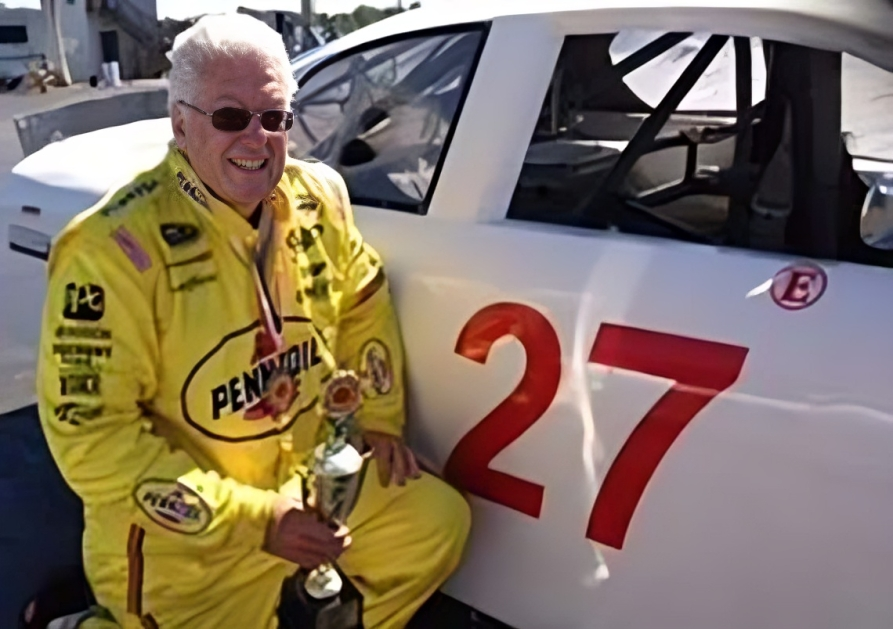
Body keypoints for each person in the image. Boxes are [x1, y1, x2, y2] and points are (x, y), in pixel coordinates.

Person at [35, 13, 471, 629]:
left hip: (304, 486)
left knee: (433, 524)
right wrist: (256, 521)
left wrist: (379, 418)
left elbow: (362, 300)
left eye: (275, 118)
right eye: (231, 117)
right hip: (188, 541)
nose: (256, 139)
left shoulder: (317, 196)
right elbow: (93, 441)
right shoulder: (109, 250)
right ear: (180, 122)